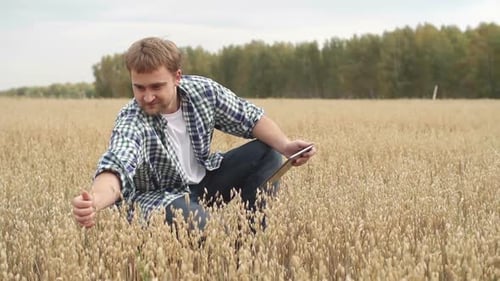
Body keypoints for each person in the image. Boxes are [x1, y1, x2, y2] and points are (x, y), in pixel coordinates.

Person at [72, 37, 316, 231]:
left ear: (177, 77)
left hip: (204, 182)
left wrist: (285, 145)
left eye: (156, 86)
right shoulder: (131, 120)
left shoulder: (203, 92)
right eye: (139, 87)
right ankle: (220, 245)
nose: (147, 96)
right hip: (159, 198)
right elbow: (116, 166)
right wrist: (95, 200)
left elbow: (250, 118)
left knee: (268, 153)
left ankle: (250, 239)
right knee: (203, 224)